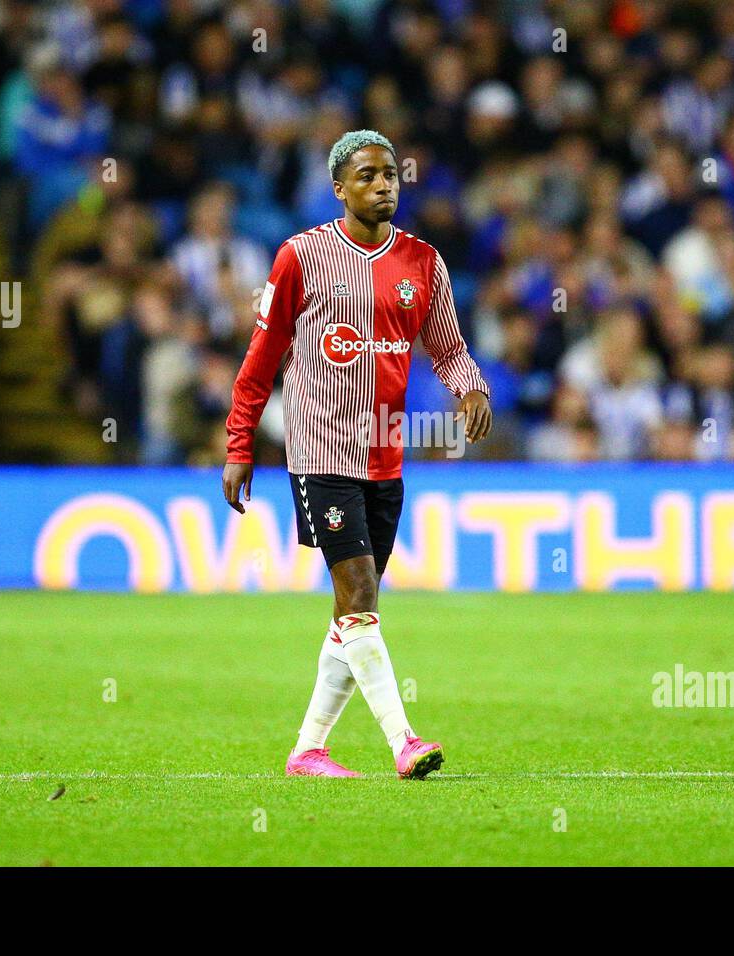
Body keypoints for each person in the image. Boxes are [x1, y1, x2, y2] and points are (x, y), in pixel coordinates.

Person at [222, 130, 492, 779]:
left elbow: (448, 348)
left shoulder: (423, 263)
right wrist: (239, 444)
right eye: (368, 175)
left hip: (385, 458)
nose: (384, 184)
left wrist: (472, 387)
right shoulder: (301, 257)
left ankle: (307, 750)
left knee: (352, 614)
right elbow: (262, 361)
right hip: (319, 451)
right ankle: (404, 741)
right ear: (339, 188)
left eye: (391, 173)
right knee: (361, 592)